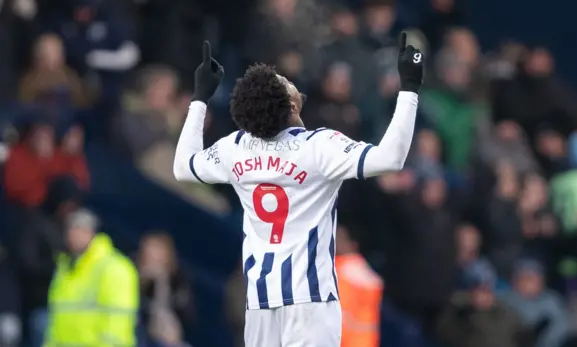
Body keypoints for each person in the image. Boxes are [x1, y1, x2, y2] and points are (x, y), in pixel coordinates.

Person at [173, 35, 425, 347]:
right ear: (292, 104)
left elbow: (183, 167)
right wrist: (410, 87)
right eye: (284, 81)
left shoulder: (235, 147)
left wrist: (200, 98)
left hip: (260, 302)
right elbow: (392, 158)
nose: (287, 77)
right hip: (310, 301)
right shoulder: (319, 146)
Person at [46, 209, 139, 347]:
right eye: (71, 229)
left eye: (80, 229)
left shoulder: (114, 268)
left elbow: (117, 324)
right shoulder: (65, 267)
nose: (74, 235)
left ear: (92, 232)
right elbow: (57, 320)